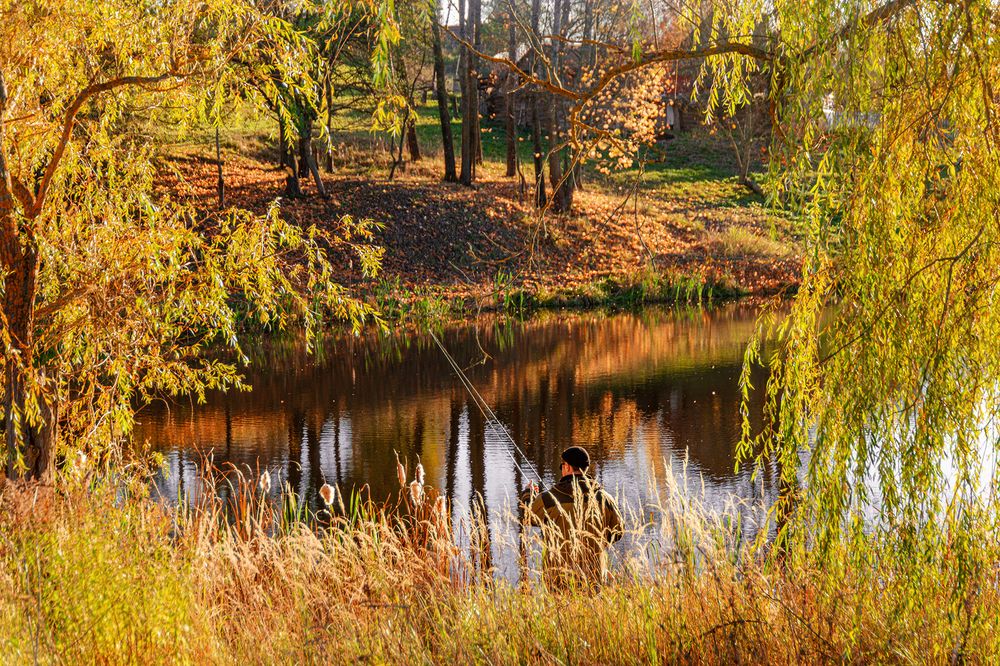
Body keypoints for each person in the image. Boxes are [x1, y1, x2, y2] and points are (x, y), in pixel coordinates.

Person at [519, 446, 624, 589]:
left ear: (567, 467)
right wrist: (596, 543)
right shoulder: (604, 498)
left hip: (557, 578)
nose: (561, 469)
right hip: (594, 576)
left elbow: (527, 516)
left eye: (562, 465)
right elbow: (618, 532)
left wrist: (528, 494)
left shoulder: (548, 499)